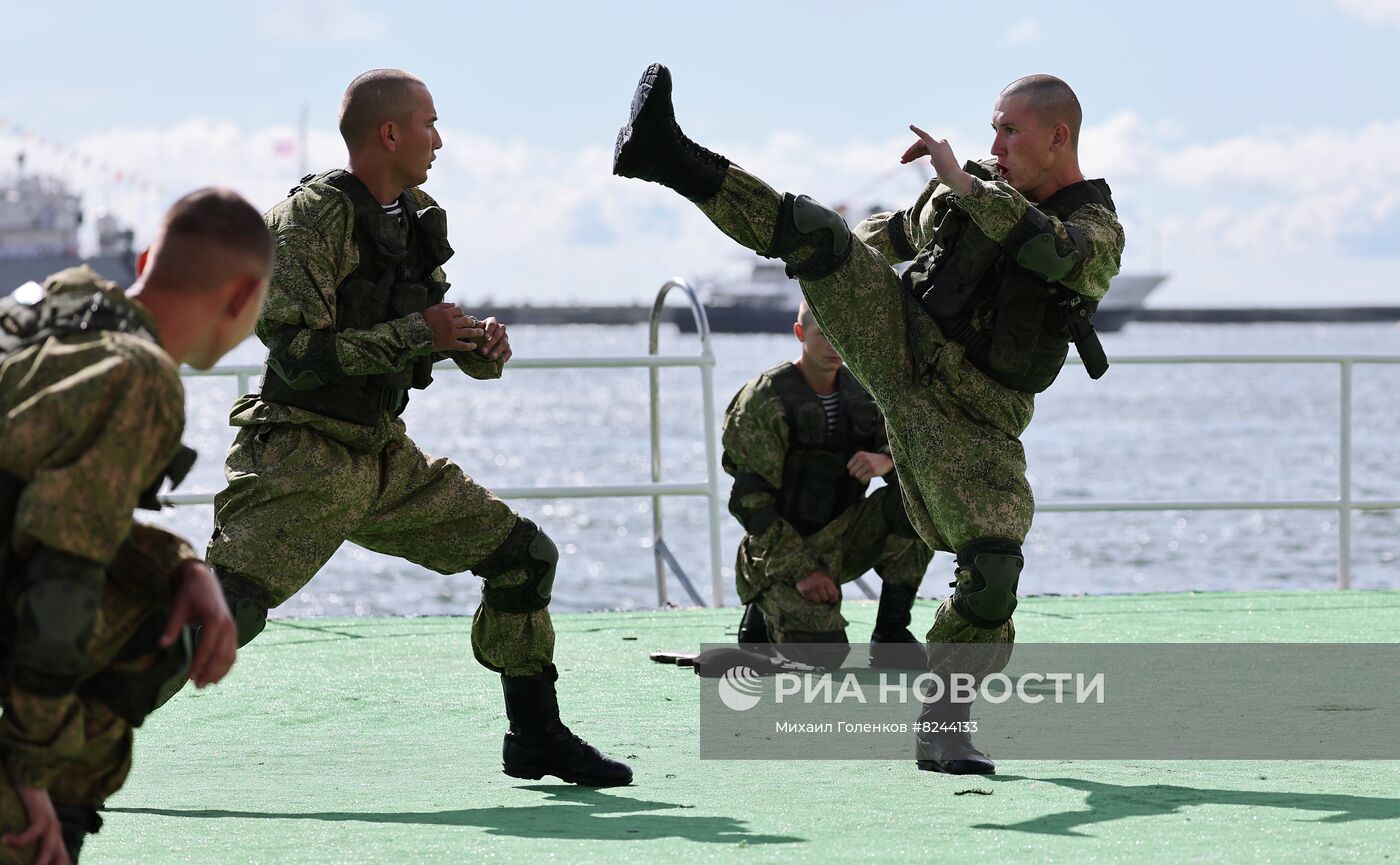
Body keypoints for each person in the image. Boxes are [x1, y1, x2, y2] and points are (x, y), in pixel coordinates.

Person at [613, 64, 1124, 774]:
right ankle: (666, 154)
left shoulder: (1095, 227)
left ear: (1058, 136)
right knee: (818, 230)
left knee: (992, 571)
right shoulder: (971, 183)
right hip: (900, 339)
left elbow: (1058, 256)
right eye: (993, 129)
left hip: (974, 415)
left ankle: (943, 724)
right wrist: (833, 267)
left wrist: (971, 188)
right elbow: (897, 232)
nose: (996, 142)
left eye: (1011, 129)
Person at [204, 68, 630, 787]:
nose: (440, 139)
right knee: (224, 614)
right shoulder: (309, 221)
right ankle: (49, 731)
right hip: (302, 455)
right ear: (389, 132)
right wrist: (416, 332)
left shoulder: (419, 219)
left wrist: (476, 346)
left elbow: (426, 334)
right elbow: (299, 356)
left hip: (381, 454)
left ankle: (535, 735)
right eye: (430, 123)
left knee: (524, 556)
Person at [0, 187, 269, 864]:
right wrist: (31, 767)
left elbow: (39, 489)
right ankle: (36, 828)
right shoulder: (140, 375)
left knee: (151, 582)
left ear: (146, 256)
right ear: (240, 298)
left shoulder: (45, 309)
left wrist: (183, 561)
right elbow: (63, 570)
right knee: (153, 624)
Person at [724, 300, 931, 669]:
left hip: (842, 536)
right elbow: (750, 503)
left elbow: (920, 464)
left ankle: (891, 635)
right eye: (823, 335)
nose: (834, 345)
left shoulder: (865, 395)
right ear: (800, 334)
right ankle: (761, 616)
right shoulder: (764, 400)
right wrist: (803, 570)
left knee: (916, 506)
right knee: (826, 655)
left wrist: (887, 462)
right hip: (777, 551)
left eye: (840, 334)